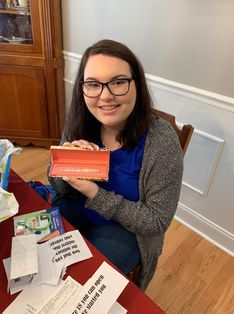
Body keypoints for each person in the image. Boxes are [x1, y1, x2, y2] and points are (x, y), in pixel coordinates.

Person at [48, 39, 183, 290]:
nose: (105, 96)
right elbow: (58, 186)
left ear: (136, 84)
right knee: (40, 257)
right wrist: (65, 167)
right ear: (83, 88)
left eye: (118, 82)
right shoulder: (81, 120)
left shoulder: (161, 142)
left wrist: (93, 192)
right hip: (76, 206)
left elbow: (156, 221)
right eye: (93, 84)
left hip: (125, 229)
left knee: (82, 285)